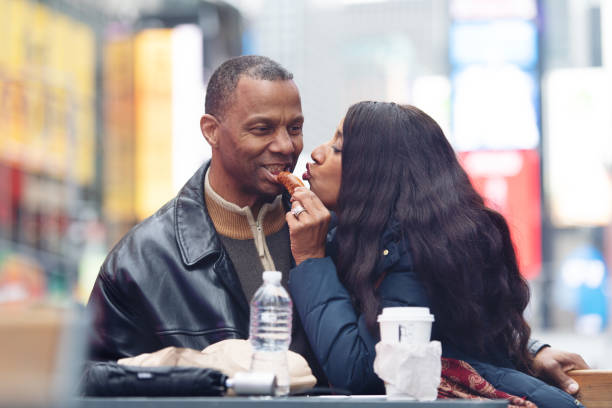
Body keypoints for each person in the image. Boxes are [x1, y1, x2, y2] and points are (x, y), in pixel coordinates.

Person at [285, 101, 589, 406]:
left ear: (379, 174)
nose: (317, 153)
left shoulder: (408, 250)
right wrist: (530, 350)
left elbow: (361, 371)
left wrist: (311, 259)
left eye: (339, 147)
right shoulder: (355, 234)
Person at [86, 55, 326, 383]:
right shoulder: (140, 259)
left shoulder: (329, 232)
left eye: (294, 128)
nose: (286, 145)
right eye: (262, 129)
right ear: (211, 131)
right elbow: (94, 382)